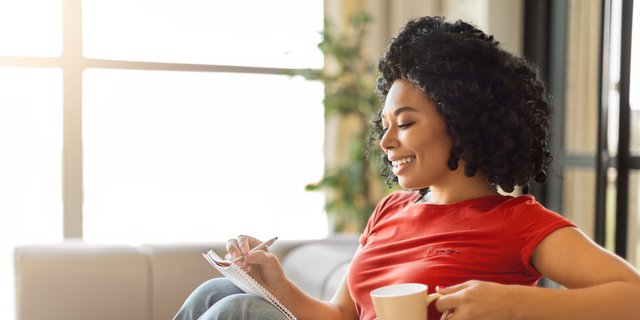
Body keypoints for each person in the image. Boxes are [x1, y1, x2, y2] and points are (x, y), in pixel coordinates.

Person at [174, 16, 640, 320]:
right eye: (385, 125)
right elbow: (340, 315)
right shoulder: (391, 211)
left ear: (461, 121)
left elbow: (631, 295)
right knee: (218, 293)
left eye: (407, 123)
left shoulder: (517, 222)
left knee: (237, 313)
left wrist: (518, 303)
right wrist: (278, 284)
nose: (386, 141)